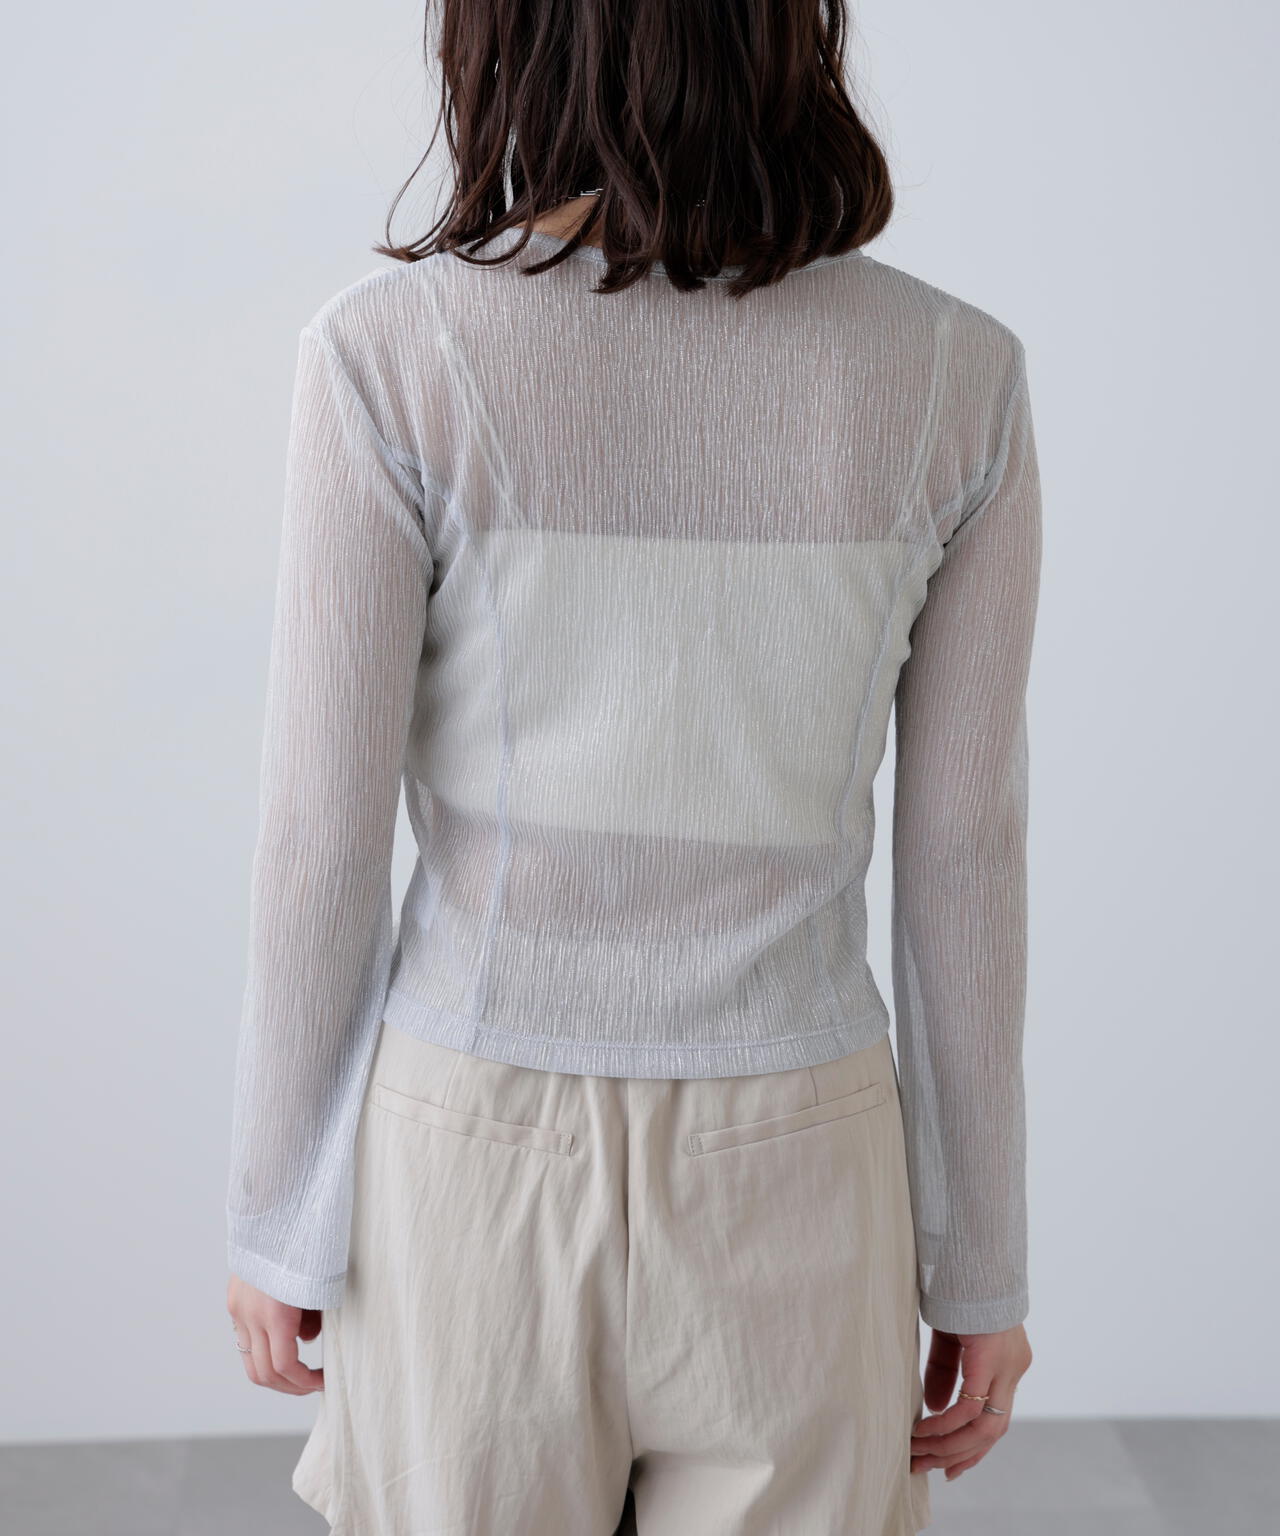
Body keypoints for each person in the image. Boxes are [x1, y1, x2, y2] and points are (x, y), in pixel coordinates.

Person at [225, 1, 1040, 1530]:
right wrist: (979, 1265)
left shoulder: (390, 354)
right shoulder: (955, 372)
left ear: (507, 42)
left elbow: (320, 838)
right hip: (803, 1155)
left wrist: (281, 1214)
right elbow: (963, 857)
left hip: (473, 1155)